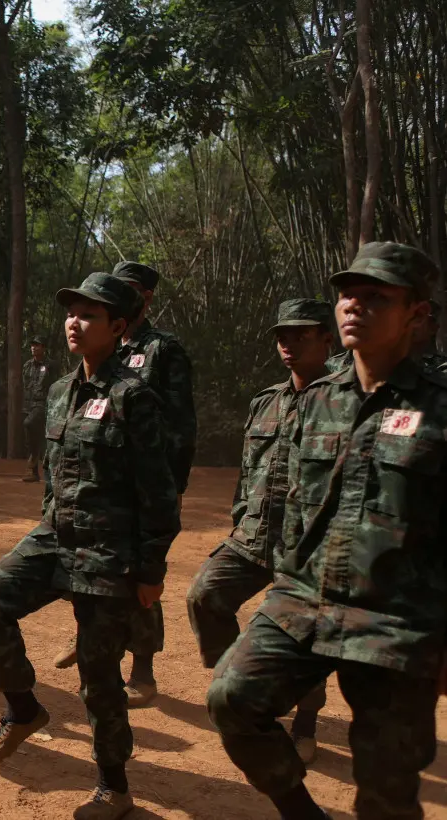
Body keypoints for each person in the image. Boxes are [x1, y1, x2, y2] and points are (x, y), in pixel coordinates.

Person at [208, 243, 447, 820]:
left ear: (416, 313)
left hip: (397, 619)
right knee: (231, 699)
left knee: (386, 791)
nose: (353, 306)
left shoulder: (439, 409)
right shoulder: (315, 403)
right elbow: (288, 503)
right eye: (347, 294)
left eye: (375, 297)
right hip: (304, 600)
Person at [0, 272, 177, 819]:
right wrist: (45, 526)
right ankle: (22, 708)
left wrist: (150, 568)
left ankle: (114, 785)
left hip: (109, 554)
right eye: (71, 312)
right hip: (55, 536)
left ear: (119, 327)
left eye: (89, 314)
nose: (74, 322)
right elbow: (56, 478)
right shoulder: (60, 392)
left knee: (97, 674)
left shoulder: (136, 399)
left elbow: (158, 491)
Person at [186, 298, 333, 767]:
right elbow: (249, 471)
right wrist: (238, 518)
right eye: (282, 336)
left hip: (309, 548)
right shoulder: (265, 401)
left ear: (326, 339)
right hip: (253, 535)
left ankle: (305, 723)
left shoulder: (344, 401)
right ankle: (245, 679)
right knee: (205, 594)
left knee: (303, 633)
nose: (288, 344)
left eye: (301, 335)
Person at [55, 261, 197, 708]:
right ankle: (94, 639)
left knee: (140, 574)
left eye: (128, 290)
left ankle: (143, 670)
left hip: (146, 479)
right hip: (101, 480)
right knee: (89, 566)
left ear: (146, 298)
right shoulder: (101, 342)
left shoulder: (162, 348)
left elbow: (180, 420)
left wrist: (171, 483)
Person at [21, 336, 53, 482]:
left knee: (30, 424)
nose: (34, 348)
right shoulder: (27, 365)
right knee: (33, 435)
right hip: (28, 404)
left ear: (44, 348)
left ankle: (35, 458)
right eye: (32, 345)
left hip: (42, 403)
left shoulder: (51, 365)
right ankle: (34, 472)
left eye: (37, 345)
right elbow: (25, 385)